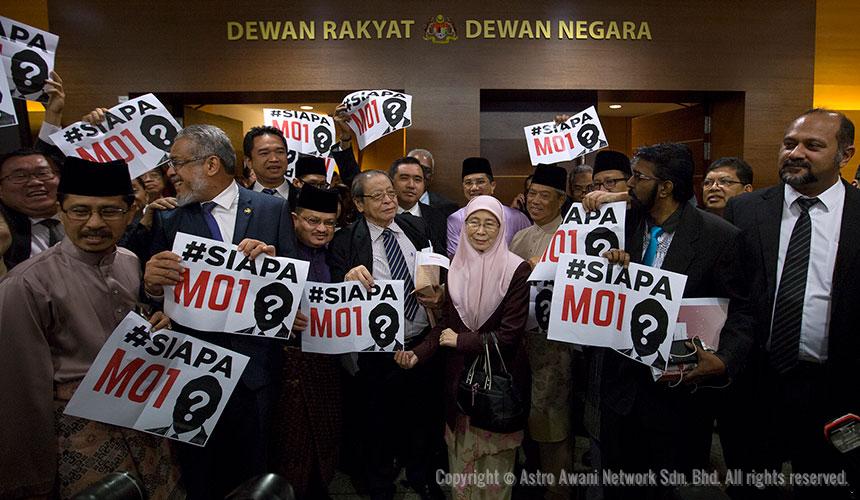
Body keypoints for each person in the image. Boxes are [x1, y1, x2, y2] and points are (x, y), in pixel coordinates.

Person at [0, 157, 179, 499]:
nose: (94, 223)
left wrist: (156, 322)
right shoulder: (24, 285)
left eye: (109, 211)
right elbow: (20, 395)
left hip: (144, 428)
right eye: (80, 210)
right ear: (61, 211)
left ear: (131, 211)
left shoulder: (129, 261)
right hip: (78, 437)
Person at [582, 142, 753, 499]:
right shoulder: (617, 225)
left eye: (638, 177)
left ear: (665, 187)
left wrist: (724, 362)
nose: (628, 184)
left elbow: (743, 310)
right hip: (619, 392)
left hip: (677, 399)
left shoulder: (719, 238)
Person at [142, 124, 298, 499]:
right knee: (199, 474)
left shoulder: (272, 208)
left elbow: (294, 286)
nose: (171, 172)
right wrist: (150, 284)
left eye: (177, 162)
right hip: (191, 371)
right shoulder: (168, 218)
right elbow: (154, 298)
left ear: (211, 164)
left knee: (252, 472)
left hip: (254, 372)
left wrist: (274, 267)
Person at [723, 109, 858, 500]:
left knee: (823, 489)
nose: (796, 153)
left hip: (833, 388)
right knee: (750, 487)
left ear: (844, 155)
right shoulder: (745, 210)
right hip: (755, 383)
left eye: (813, 145)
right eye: (789, 144)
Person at [397, 195, 531, 500]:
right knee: (462, 477)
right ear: (464, 225)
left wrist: (462, 341)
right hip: (459, 388)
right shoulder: (455, 267)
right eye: (473, 222)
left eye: (489, 224)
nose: (480, 231)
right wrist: (416, 354)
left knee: (495, 479)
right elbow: (443, 326)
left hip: (498, 386)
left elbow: (510, 335)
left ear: (502, 228)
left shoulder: (517, 270)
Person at [328, 170, 445, 500]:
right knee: (378, 422)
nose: (389, 200)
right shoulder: (345, 241)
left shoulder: (415, 228)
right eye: (378, 196)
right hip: (377, 350)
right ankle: (380, 484)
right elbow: (330, 291)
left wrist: (440, 294)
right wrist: (345, 279)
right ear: (359, 204)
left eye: (390, 194)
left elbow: (435, 271)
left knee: (422, 417)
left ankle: (422, 476)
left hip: (421, 339)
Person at [269, 184, 343, 499]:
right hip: (285, 363)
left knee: (325, 435)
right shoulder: (275, 252)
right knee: (289, 441)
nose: (321, 229)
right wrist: (281, 319)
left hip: (328, 363)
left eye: (329, 223)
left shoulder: (340, 253)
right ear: (295, 218)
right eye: (313, 221)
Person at [508, 164, 573, 500]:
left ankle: (557, 489)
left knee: (552, 418)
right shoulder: (521, 236)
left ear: (560, 200)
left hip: (555, 344)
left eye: (544, 196)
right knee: (528, 415)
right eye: (532, 193)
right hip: (522, 341)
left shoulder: (572, 236)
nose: (534, 201)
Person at [446, 157, 531, 257]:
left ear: (493, 186)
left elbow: (526, 254)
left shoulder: (517, 218)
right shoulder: (455, 219)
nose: (474, 188)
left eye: (480, 182)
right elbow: (456, 258)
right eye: (468, 183)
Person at [0, 148, 64, 269]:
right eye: (20, 176)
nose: (35, 182)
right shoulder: (4, 232)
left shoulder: (91, 216)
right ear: (1, 190)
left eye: (43, 173)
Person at [389, 156, 447, 251]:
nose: (411, 185)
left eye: (417, 180)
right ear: (391, 182)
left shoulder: (437, 218)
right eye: (404, 178)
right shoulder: (379, 215)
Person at [408, 148, 459, 217]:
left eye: (426, 170)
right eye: (416, 168)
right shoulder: (391, 204)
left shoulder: (448, 207)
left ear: (432, 176)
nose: (420, 174)